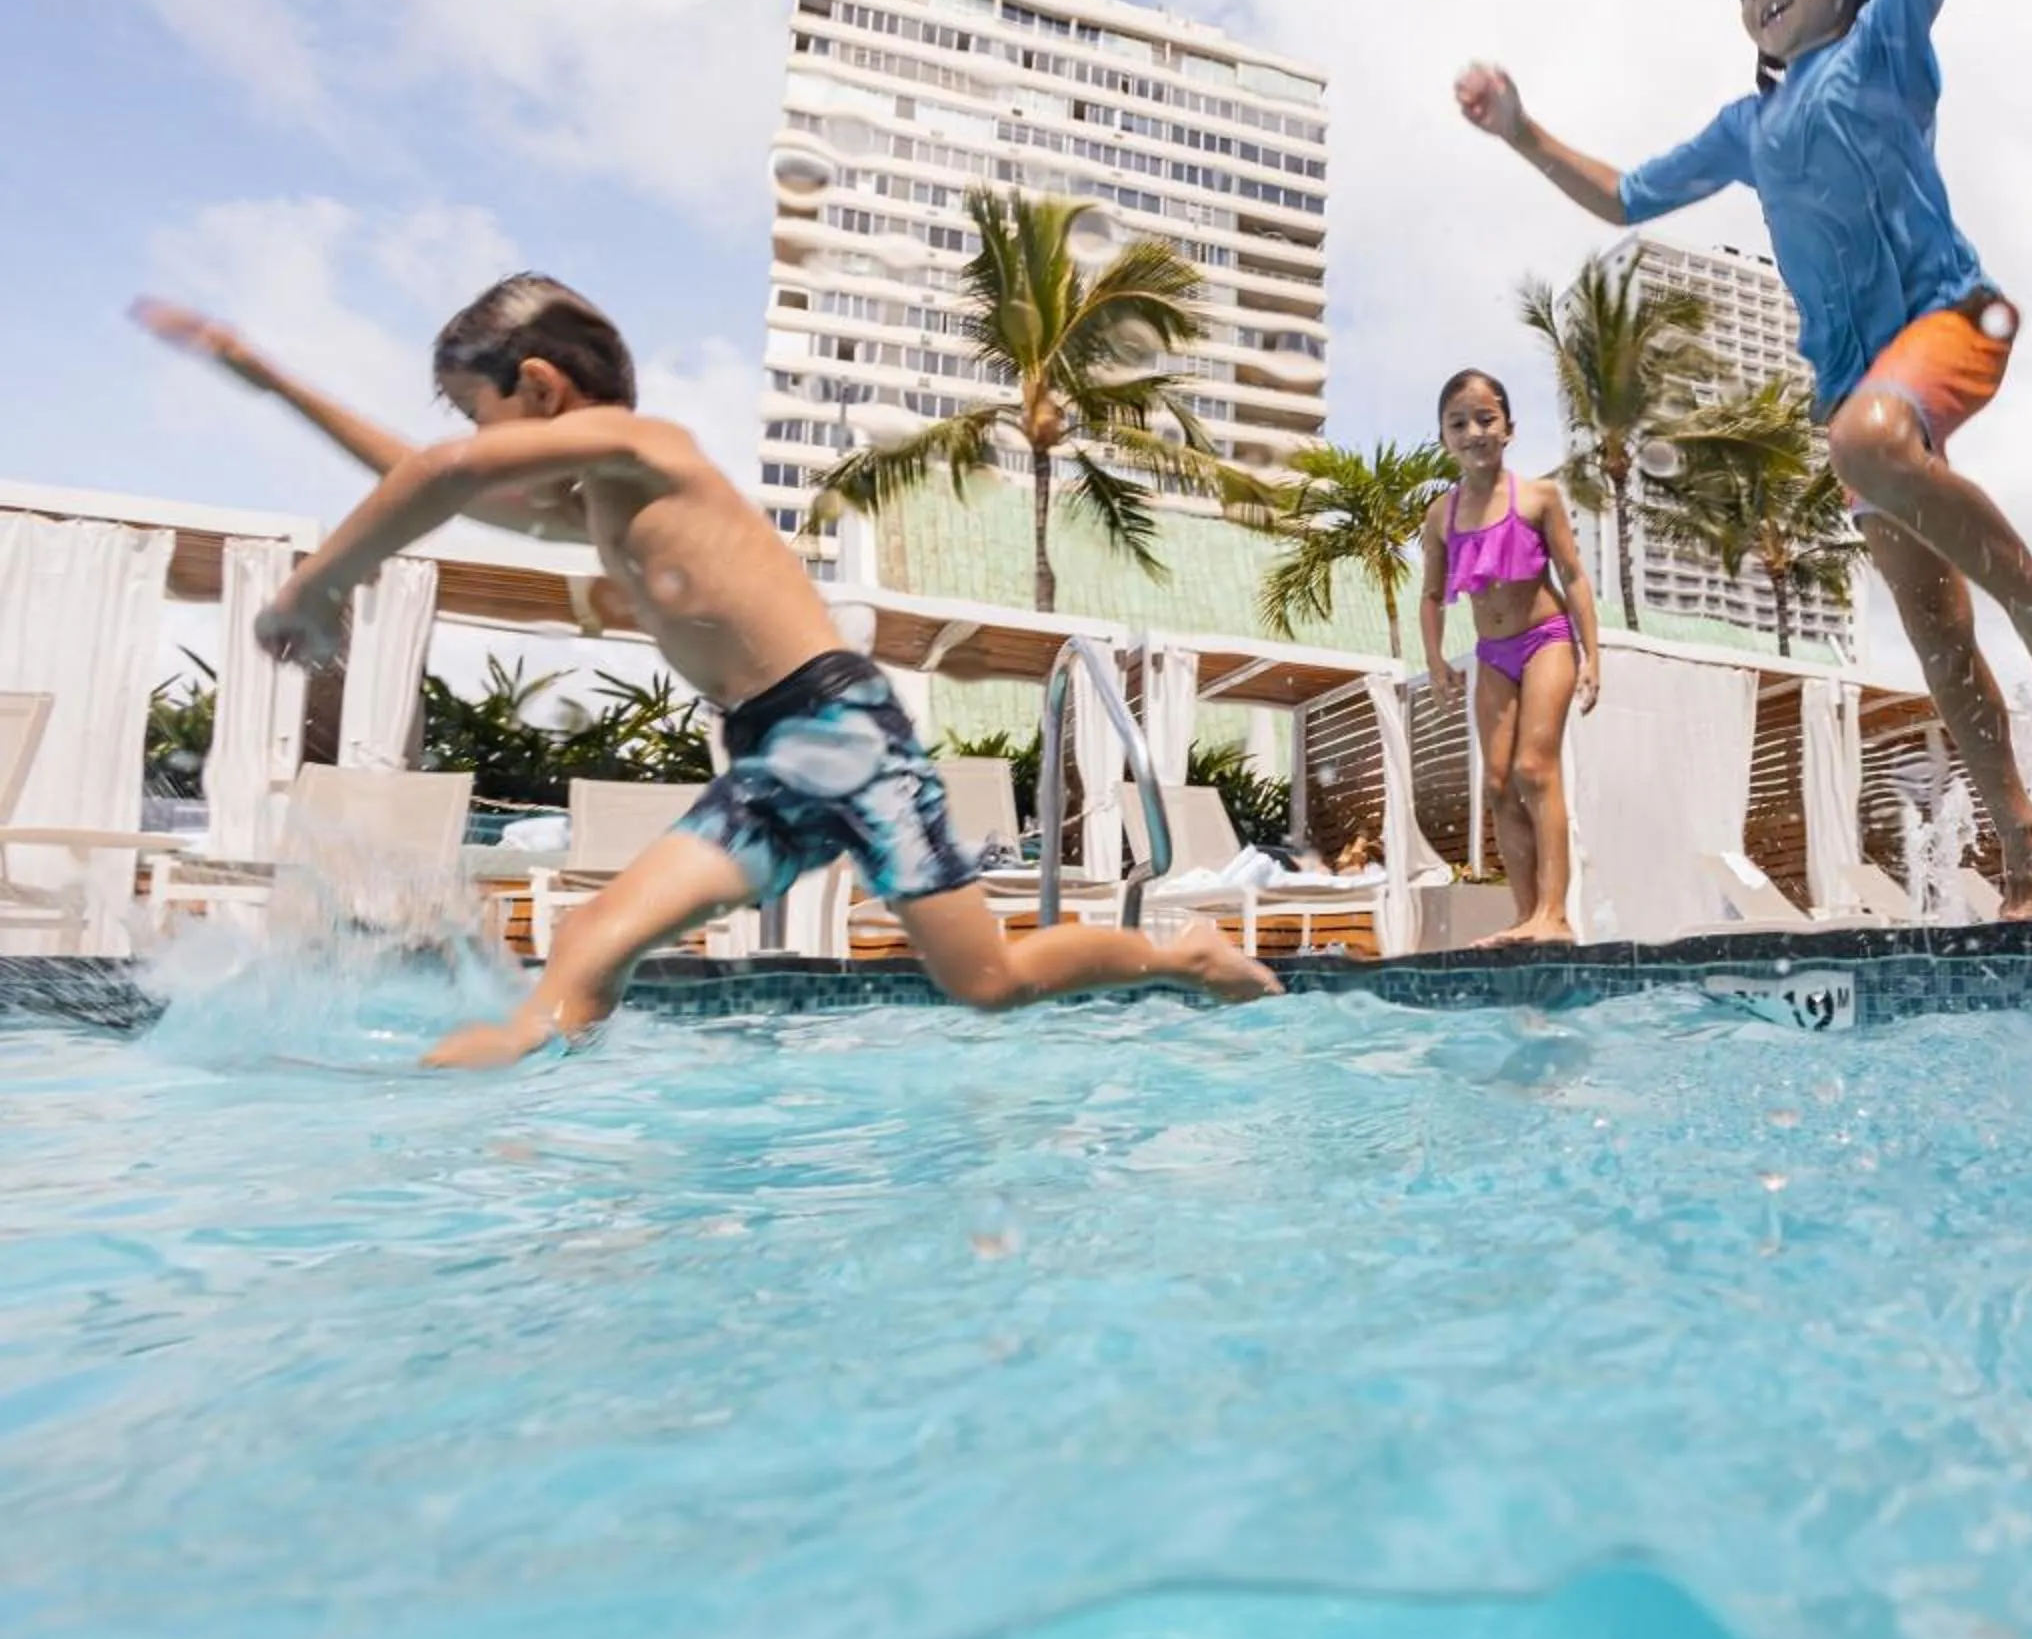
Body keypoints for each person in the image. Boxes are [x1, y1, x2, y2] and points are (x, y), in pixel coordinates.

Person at [132, 279, 1277, 1067]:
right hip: (773, 753)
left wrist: (315, 589)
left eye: (483, 407)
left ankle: (1179, 954)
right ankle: (514, 1083)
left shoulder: (652, 448)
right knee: (592, 941)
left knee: (984, 980)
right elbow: (440, 475)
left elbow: (446, 469)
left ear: (537, 388)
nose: (485, 440)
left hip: (845, 731)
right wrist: (274, 382)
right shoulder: (603, 497)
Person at [1454, 0, 2032, 920]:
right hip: (1859, 388)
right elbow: (1627, 197)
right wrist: (1524, 132)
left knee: (1868, 441)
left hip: (1953, 320)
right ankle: (2027, 866)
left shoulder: (1887, 43)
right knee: (1937, 637)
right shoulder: (1751, 129)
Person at [1417, 369, 1602, 947]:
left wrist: (1592, 654)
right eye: (1459, 423)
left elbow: (1572, 576)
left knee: (1533, 769)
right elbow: (1429, 594)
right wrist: (1435, 658)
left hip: (1546, 638)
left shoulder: (1539, 498)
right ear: (1444, 437)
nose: (1474, 431)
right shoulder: (1441, 517)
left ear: (1509, 429)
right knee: (1497, 783)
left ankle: (1557, 914)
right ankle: (1527, 915)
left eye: (1485, 418)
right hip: (1492, 654)